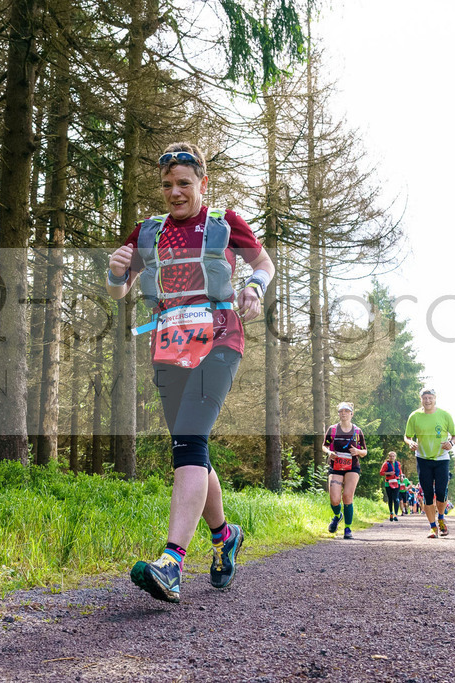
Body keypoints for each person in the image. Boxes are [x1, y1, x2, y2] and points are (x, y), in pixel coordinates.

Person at [107, 141, 275, 604]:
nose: (175, 192)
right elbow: (120, 290)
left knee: (189, 439)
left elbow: (263, 263)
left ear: (202, 182)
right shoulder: (148, 231)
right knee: (190, 446)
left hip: (220, 339)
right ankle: (224, 535)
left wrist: (254, 288)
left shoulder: (224, 222)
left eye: (184, 183)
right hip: (169, 345)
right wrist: (116, 273)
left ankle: (172, 562)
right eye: (167, 185)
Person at [404, 389, 455, 538]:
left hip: (442, 458)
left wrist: (451, 443)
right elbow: (407, 436)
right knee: (427, 494)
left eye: (430, 398)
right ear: (421, 399)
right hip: (423, 458)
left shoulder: (445, 415)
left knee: (441, 492)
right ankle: (433, 527)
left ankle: (441, 518)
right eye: (425, 398)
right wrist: (410, 442)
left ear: (435, 398)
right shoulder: (414, 416)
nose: (427, 401)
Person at [324, 402, 368, 539]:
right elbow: (324, 446)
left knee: (347, 496)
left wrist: (357, 451)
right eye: (341, 411)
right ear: (338, 414)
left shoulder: (357, 431)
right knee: (334, 499)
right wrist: (329, 452)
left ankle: (348, 529)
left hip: (352, 467)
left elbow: (365, 451)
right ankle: (338, 516)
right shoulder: (332, 429)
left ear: (351, 414)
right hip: (336, 467)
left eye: (346, 411)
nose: (343, 413)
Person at [380, 451, 402, 521]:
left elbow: (400, 472)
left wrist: (401, 477)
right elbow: (381, 473)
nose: (392, 457)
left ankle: (396, 514)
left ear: (395, 457)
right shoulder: (386, 464)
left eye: (393, 456)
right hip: (388, 482)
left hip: (396, 482)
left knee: (396, 498)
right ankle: (391, 513)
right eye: (391, 456)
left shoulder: (398, 463)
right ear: (388, 457)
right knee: (390, 498)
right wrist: (389, 473)